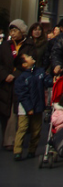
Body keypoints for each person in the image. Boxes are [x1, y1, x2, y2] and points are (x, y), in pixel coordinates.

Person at [0, 19, 35, 150]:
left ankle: (13, 140)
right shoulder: (5, 45)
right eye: (11, 31)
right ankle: (8, 138)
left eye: (15, 31)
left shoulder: (29, 46)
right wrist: (4, 75)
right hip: (5, 84)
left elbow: (30, 63)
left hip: (20, 82)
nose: (13, 33)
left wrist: (15, 75)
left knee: (16, 112)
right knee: (5, 112)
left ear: (22, 31)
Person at [12, 49, 51, 160]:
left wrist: (51, 79)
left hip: (38, 105)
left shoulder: (40, 71)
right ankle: (18, 150)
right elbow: (22, 94)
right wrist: (29, 108)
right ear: (24, 64)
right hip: (24, 108)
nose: (31, 56)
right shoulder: (22, 77)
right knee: (22, 128)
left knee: (36, 129)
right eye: (27, 57)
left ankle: (32, 150)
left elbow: (47, 81)